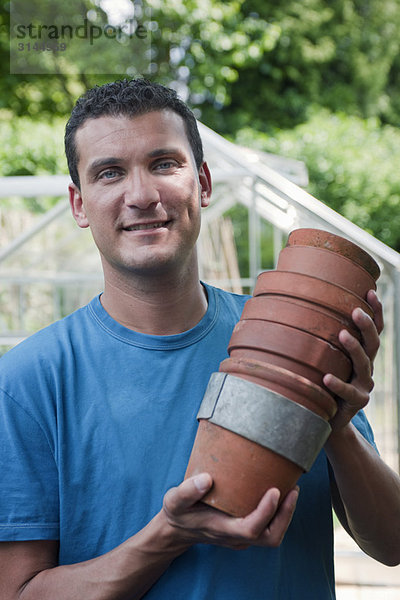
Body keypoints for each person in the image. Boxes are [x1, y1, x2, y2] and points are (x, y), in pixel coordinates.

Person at [0, 78, 399, 600]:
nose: (142, 196)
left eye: (164, 163)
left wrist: (337, 425)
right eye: (109, 173)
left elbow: (391, 545)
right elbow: (20, 592)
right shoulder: (28, 382)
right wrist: (168, 536)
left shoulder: (288, 337)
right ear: (79, 204)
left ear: (203, 183)